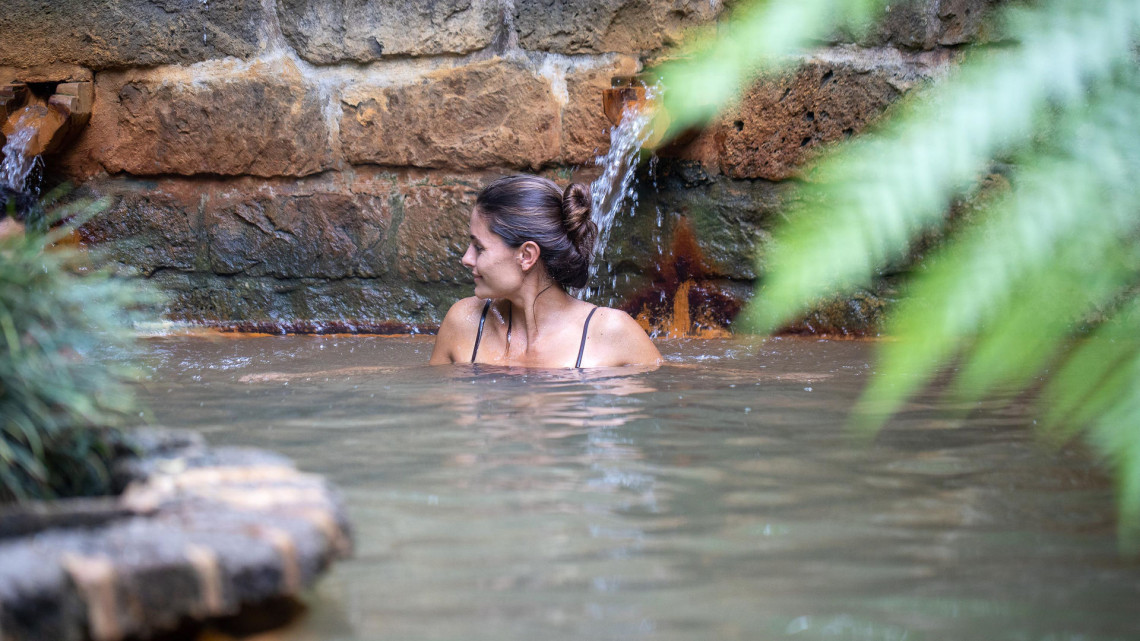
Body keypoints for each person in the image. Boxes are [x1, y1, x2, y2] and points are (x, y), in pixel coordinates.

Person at [429, 175, 661, 368]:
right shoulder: (463, 324)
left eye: (479, 247)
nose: (466, 259)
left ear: (527, 255)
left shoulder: (612, 334)